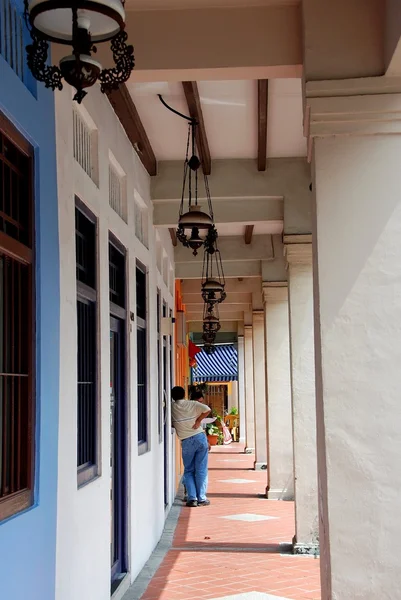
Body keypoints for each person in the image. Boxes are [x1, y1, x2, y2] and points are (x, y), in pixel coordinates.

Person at [171, 386, 211, 507]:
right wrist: (198, 420)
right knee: (201, 469)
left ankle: (192, 498)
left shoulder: (172, 407)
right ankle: (202, 498)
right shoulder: (192, 404)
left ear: (172, 396)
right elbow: (207, 409)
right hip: (199, 437)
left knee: (188, 470)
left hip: (187, 441)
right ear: (184, 395)